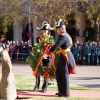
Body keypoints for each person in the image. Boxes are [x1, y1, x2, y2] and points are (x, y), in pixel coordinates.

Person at [44, 19, 76, 97]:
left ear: (61, 28)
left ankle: (66, 93)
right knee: (58, 73)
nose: (57, 31)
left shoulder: (63, 36)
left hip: (65, 56)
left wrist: (48, 53)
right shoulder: (65, 35)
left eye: (57, 29)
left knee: (64, 75)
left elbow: (56, 45)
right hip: (63, 55)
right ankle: (61, 91)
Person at [33, 21, 54, 93]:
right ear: (41, 30)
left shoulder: (51, 38)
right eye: (44, 30)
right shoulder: (38, 38)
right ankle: (36, 85)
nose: (45, 31)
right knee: (37, 71)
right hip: (40, 57)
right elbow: (36, 47)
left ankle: (45, 87)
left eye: (46, 30)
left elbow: (52, 48)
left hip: (48, 57)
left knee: (47, 71)